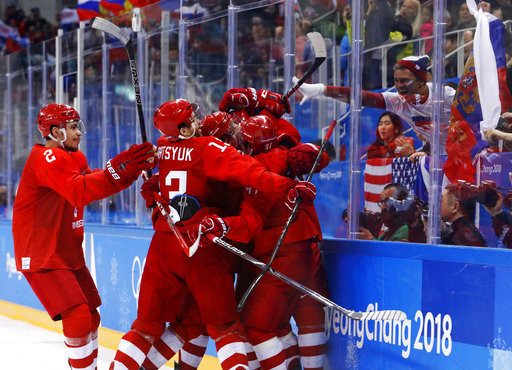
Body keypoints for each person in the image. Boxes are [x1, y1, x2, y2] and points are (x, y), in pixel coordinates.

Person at [110, 99, 314, 370]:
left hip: (164, 243)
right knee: (227, 328)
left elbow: (158, 192)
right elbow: (251, 173)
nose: (236, 135)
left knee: (155, 325)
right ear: (184, 129)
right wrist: (288, 185)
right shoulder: (209, 148)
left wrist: (153, 190)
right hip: (203, 246)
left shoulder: (163, 149)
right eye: (230, 133)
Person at [11, 104, 156, 370]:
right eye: (73, 127)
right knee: (77, 315)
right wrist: (120, 167)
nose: (79, 132)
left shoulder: (73, 157)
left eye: (79, 126)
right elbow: (80, 191)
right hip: (41, 251)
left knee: (90, 314)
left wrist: (130, 170)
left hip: (66, 250)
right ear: (55, 132)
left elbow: (95, 184)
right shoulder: (46, 158)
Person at [295, 54, 456, 156]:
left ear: (422, 80)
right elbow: (362, 97)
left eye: (405, 80)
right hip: (440, 158)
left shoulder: (446, 94)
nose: (399, 86)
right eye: (396, 81)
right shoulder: (398, 102)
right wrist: (322, 90)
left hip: (465, 153)